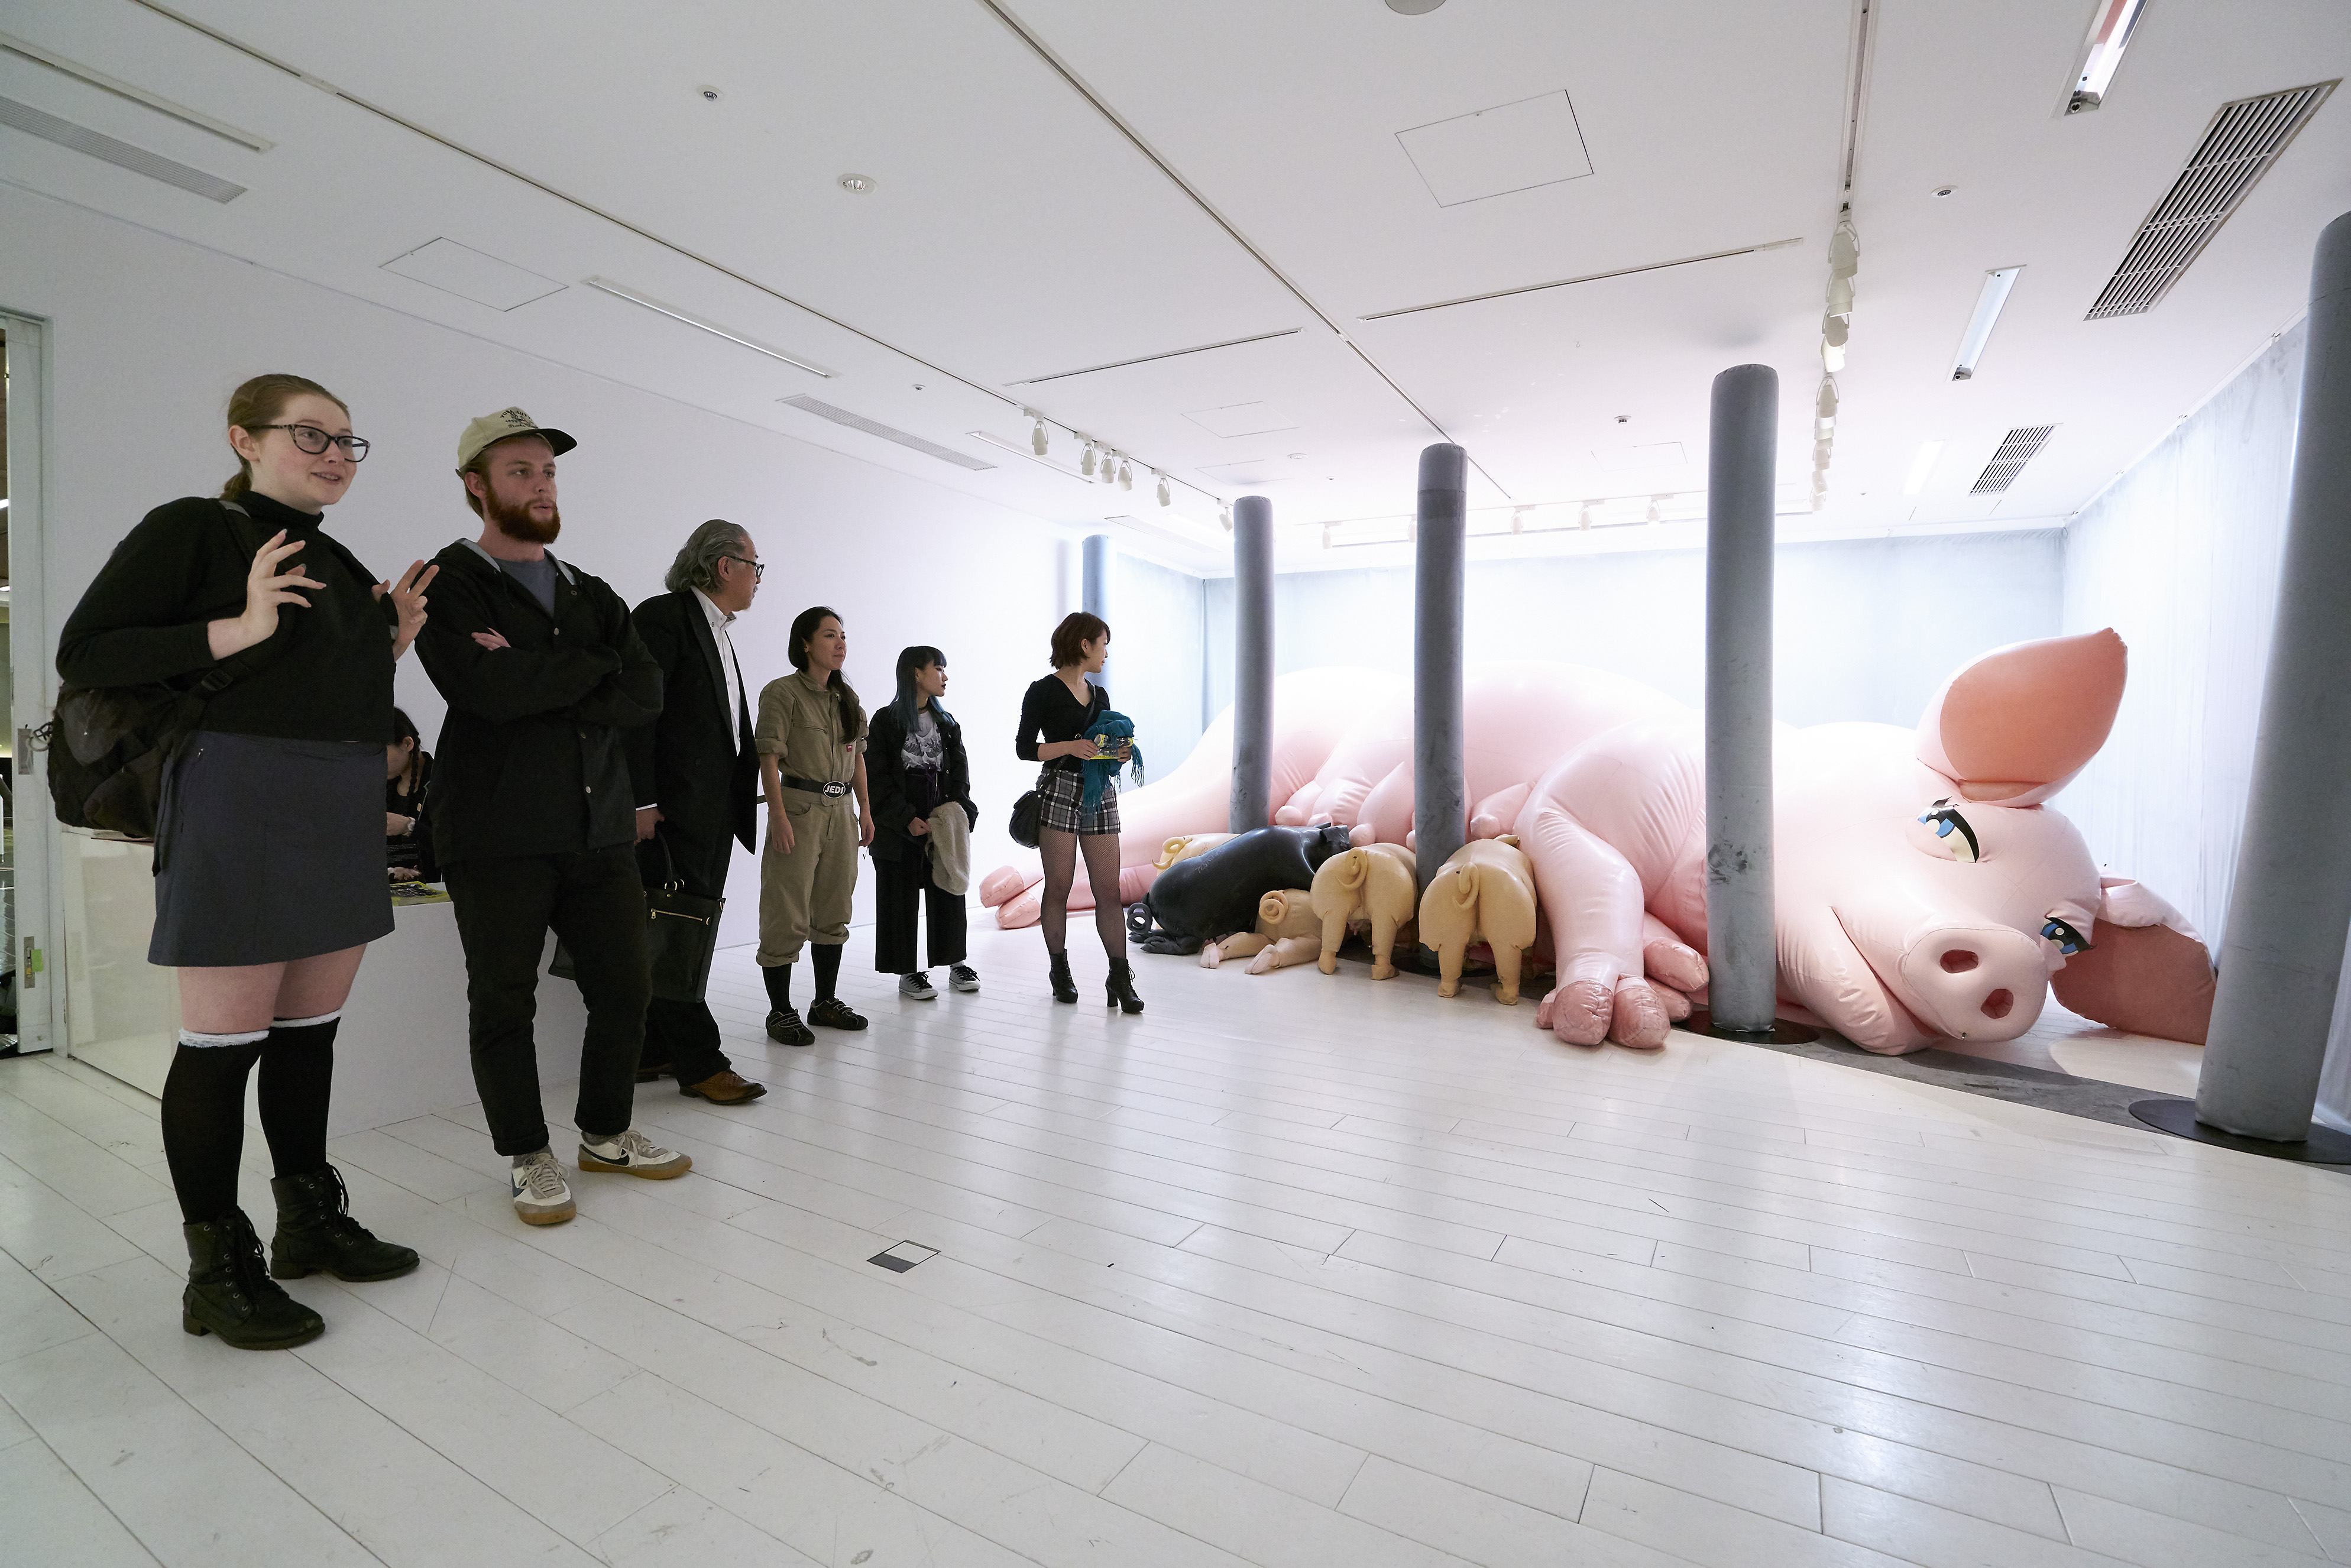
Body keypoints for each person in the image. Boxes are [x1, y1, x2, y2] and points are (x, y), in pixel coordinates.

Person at [57, 372, 431, 1350]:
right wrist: (242, 625)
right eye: (312, 434)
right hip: (239, 795)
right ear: (245, 438)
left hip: (335, 800)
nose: (335, 455)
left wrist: (389, 642)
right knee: (222, 1047)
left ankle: (310, 1220)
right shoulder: (197, 529)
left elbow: (316, 691)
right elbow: (87, 651)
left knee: (309, 1034)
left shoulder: (339, 560)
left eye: (347, 441)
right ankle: (218, 1272)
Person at [416, 407, 689, 1227]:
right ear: (476, 486)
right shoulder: (449, 583)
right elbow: (486, 692)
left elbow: (646, 693)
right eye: (520, 472)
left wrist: (540, 669)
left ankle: (605, 1133)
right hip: (496, 833)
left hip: (598, 829)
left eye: (548, 472)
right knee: (504, 1002)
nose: (541, 485)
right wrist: (592, 668)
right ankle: (527, 1154)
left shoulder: (590, 592)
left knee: (627, 988)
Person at [623, 520, 767, 1104]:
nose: (759, 578)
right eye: (755, 566)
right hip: (672, 812)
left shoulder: (717, 630)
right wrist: (642, 800)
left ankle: (653, 1049)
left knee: (681, 926)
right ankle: (702, 1064)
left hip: (710, 812)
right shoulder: (663, 618)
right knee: (679, 930)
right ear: (725, 566)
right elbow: (637, 714)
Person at [754, 607, 872, 1043]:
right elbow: (768, 757)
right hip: (799, 810)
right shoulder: (782, 693)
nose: (840, 644)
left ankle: (825, 1002)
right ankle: (780, 1011)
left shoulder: (847, 699)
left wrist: (866, 809)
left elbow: (858, 757)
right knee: (786, 908)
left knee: (834, 906)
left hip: (842, 812)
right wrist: (778, 815)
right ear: (805, 644)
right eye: (829, 635)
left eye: (843, 636)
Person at [1016, 612, 1142, 1013]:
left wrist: (1117, 755)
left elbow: (1100, 749)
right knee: (1059, 887)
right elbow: (1024, 748)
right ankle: (1060, 970)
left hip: (1098, 791)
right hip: (1059, 790)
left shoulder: (1100, 696)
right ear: (1084, 645)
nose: (1106, 653)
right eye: (1103, 644)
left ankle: (1119, 977)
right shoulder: (1042, 691)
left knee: (1109, 891)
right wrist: (1069, 747)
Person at [867, 646, 979, 1000]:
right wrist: (906, 818)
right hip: (898, 827)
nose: (945, 677)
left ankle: (956, 964)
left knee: (949, 889)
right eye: (938, 669)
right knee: (898, 897)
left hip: (941, 822)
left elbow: (960, 775)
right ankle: (907, 972)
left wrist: (961, 813)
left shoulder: (947, 724)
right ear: (916, 674)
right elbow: (876, 779)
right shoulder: (885, 722)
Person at [385, 706, 437, 882]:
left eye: (382, 752)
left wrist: (410, 827)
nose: (374, 763)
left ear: (408, 744)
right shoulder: (381, 787)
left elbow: (457, 845)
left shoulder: (442, 783)